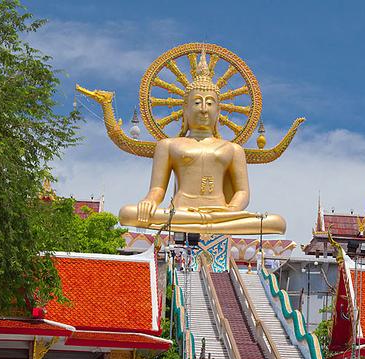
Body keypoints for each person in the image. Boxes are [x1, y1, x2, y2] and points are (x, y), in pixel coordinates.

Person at [114, 51, 286, 235]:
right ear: (185, 109)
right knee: (127, 213)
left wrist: (232, 209)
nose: (204, 109)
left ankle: (206, 223)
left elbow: (242, 193)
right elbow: (157, 189)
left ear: (219, 111)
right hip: (180, 212)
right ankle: (201, 224)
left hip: (222, 214)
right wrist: (149, 202)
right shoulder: (168, 145)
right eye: (197, 103)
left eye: (210, 104)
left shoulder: (233, 150)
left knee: (277, 222)